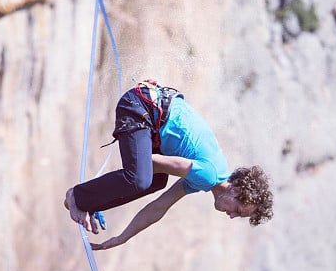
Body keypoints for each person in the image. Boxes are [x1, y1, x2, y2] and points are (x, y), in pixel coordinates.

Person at [64, 80, 273, 250]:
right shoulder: (209, 175)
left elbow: (160, 206)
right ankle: (78, 196)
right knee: (141, 178)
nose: (232, 215)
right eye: (237, 209)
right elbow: (148, 163)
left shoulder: (207, 180)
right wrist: (95, 194)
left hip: (149, 115)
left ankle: (88, 202)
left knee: (155, 182)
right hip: (140, 107)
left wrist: (122, 237)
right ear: (235, 190)